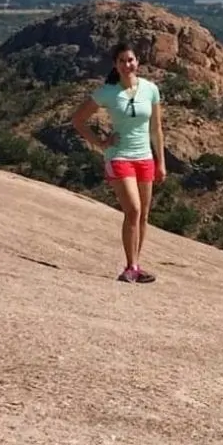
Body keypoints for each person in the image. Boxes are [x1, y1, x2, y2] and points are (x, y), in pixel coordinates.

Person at [71, 42, 166, 283]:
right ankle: (130, 266)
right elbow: (78, 120)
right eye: (122, 61)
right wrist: (100, 142)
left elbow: (156, 128)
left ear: (138, 62)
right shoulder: (107, 92)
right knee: (132, 210)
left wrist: (160, 162)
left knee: (143, 215)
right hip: (119, 156)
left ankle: (135, 265)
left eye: (131, 60)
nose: (127, 65)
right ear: (115, 64)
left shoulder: (150, 89)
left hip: (145, 157)